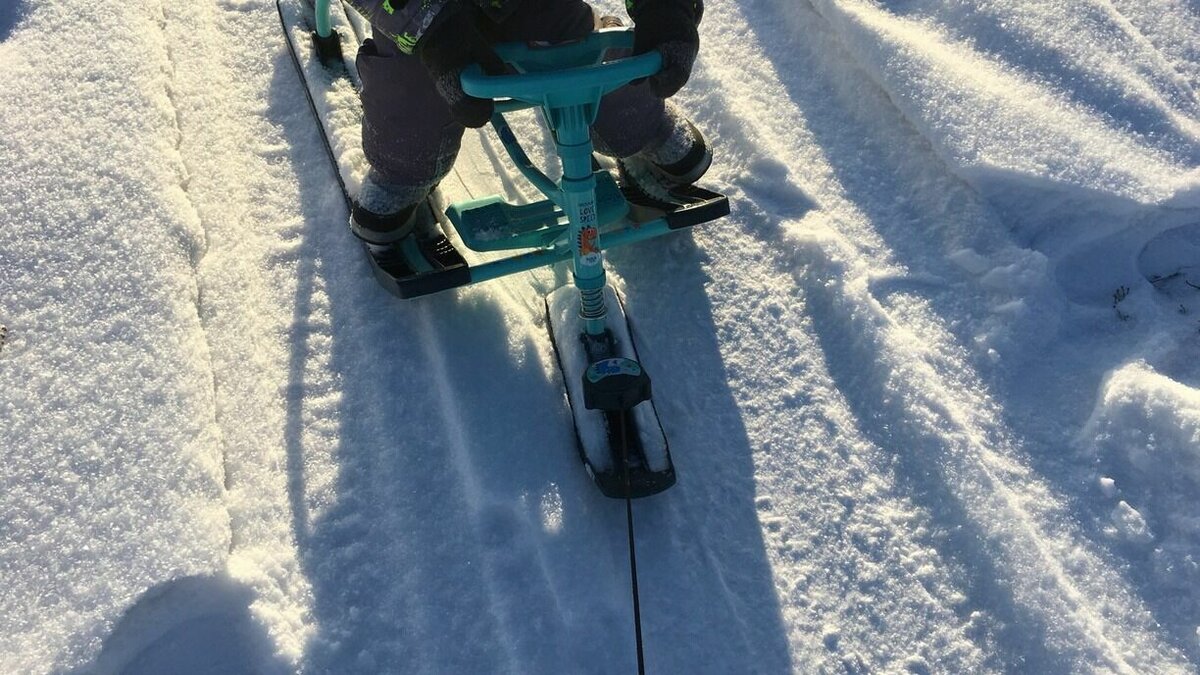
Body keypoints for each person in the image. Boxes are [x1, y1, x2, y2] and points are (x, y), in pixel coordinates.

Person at [342, 0, 711, 274]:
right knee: (412, 96)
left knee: (586, 58)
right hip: (421, 18)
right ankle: (402, 169)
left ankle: (637, 124)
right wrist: (429, 24)